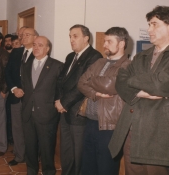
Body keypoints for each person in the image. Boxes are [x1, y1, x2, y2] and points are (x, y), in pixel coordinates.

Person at [109, 6, 169, 175]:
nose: (149, 29)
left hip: (158, 135)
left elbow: (161, 85)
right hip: (131, 131)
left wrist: (131, 80)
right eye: (149, 25)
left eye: (154, 24)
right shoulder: (142, 55)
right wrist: (138, 91)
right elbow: (119, 81)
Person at [77, 27, 131, 175]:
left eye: (109, 41)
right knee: (88, 167)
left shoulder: (128, 65)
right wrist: (96, 93)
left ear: (121, 44)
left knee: (106, 168)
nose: (104, 44)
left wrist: (91, 80)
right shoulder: (100, 62)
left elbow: (110, 85)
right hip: (90, 122)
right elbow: (81, 82)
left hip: (110, 126)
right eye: (105, 40)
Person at [55, 24, 102, 175]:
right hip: (64, 111)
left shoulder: (94, 56)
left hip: (78, 113)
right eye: (70, 36)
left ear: (86, 38)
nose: (71, 40)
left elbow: (84, 84)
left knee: (79, 154)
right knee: (66, 151)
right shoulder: (70, 56)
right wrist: (58, 100)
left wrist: (64, 102)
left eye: (75, 36)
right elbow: (61, 80)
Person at [21, 36, 63, 175]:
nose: (36, 47)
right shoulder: (26, 65)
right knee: (30, 147)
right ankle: (31, 171)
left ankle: (49, 172)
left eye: (40, 45)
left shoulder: (57, 66)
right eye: (34, 45)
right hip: (28, 113)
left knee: (47, 148)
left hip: (47, 114)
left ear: (47, 48)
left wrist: (56, 105)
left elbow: (60, 90)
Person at [5, 28, 38, 166]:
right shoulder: (16, 52)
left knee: (31, 129)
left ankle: (32, 157)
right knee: (17, 128)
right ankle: (19, 156)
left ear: (35, 37)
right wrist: (14, 89)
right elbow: (8, 72)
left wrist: (24, 90)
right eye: (22, 35)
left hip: (30, 98)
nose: (23, 37)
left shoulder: (38, 53)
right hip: (15, 96)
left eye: (27, 35)